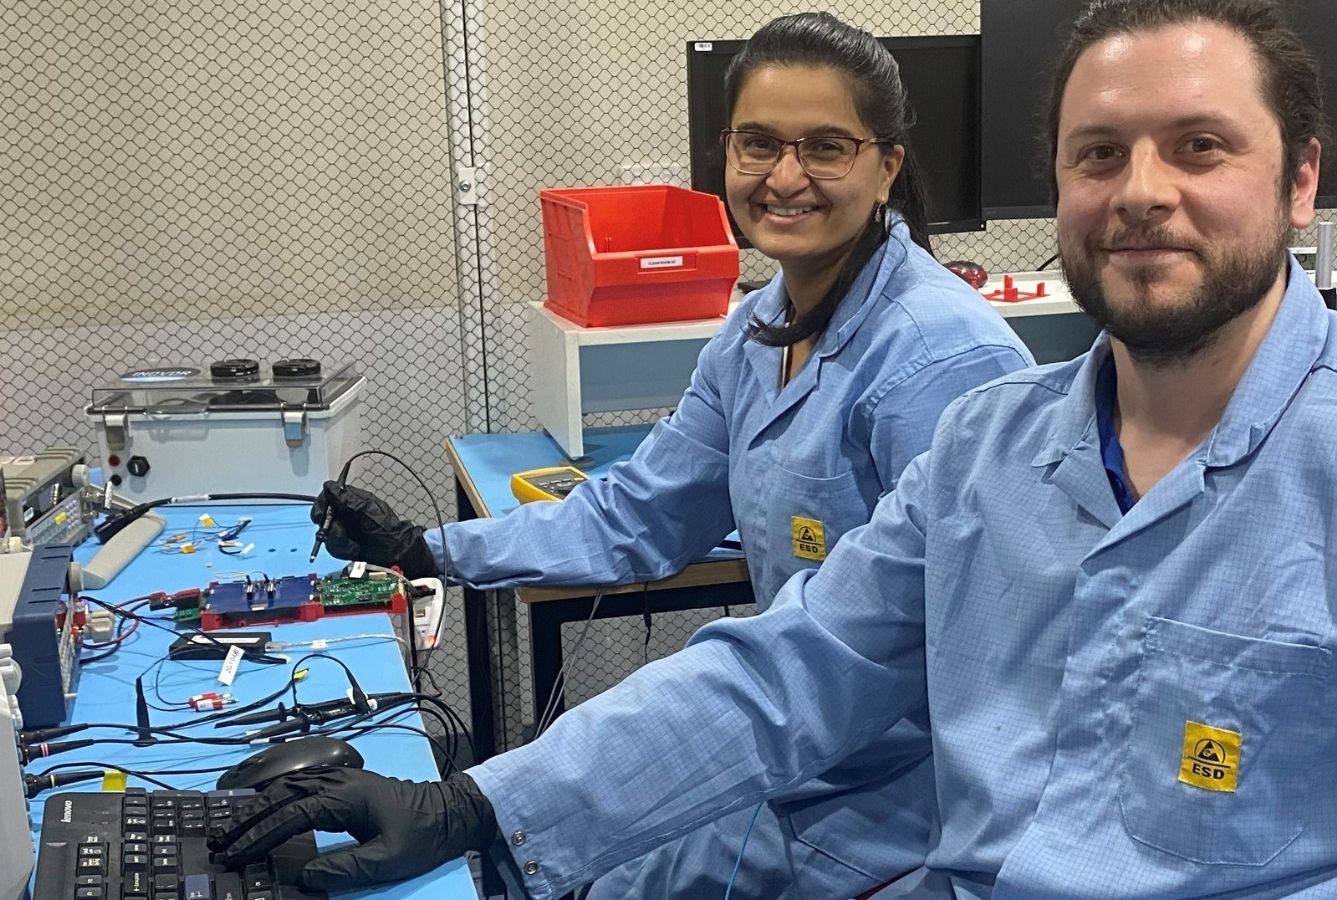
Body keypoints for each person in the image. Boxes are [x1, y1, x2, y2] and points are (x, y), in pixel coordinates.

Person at [211, 0, 1337, 896]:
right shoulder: (995, 451)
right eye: (1099, 154)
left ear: (1300, 181)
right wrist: (474, 808)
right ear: (1054, 187)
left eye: (1200, 147)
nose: (1142, 194)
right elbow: (785, 673)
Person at [270, 12, 1033, 898]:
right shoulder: (756, 329)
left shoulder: (944, 362)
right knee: (532, 866)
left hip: (894, 807)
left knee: (543, 866)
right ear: (725, 154)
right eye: (759, 144)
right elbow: (641, 511)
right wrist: (428, 551)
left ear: (886, 165)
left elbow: (847, 654)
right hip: (793, 753)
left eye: (826, 147)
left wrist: (481, 800)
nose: (786, 177)